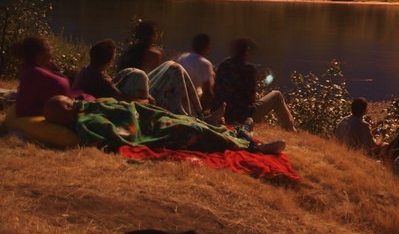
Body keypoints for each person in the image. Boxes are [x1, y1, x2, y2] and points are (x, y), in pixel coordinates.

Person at [42, 95, 284, 155]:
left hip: (147, 117)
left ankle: (206, 121)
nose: (72, 102)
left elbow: (116, 105)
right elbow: (116, 134)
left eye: (69, 100)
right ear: (63, 115)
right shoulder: (86, 121)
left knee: (180, 119)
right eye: (67, 104)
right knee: (188, 130)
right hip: (147, 129)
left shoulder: (87, 107)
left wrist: (135, 108)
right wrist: (132, 117)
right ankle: (251, 147)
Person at [213, 37, 296, 131]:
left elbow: (217, 89)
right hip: (240, 116)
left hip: (221, 112)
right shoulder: (249, 69)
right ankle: (291, 129)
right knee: (277, 95)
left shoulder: (224, 65)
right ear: (246, 52)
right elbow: (251, 99)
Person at [14, 36, 91, 117]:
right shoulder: (33, 74)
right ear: (41, 53)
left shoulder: (42, 68)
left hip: (68, 105)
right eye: (49, 49)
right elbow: (22, 110)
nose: (52, 52)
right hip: (59, 113)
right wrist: (57, 110)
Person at [176, 33, 216, 110]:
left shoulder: (182, 57)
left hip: (178, 98)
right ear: (207, 46)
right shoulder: (205, 63)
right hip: (193, 102)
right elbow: (207, 91)